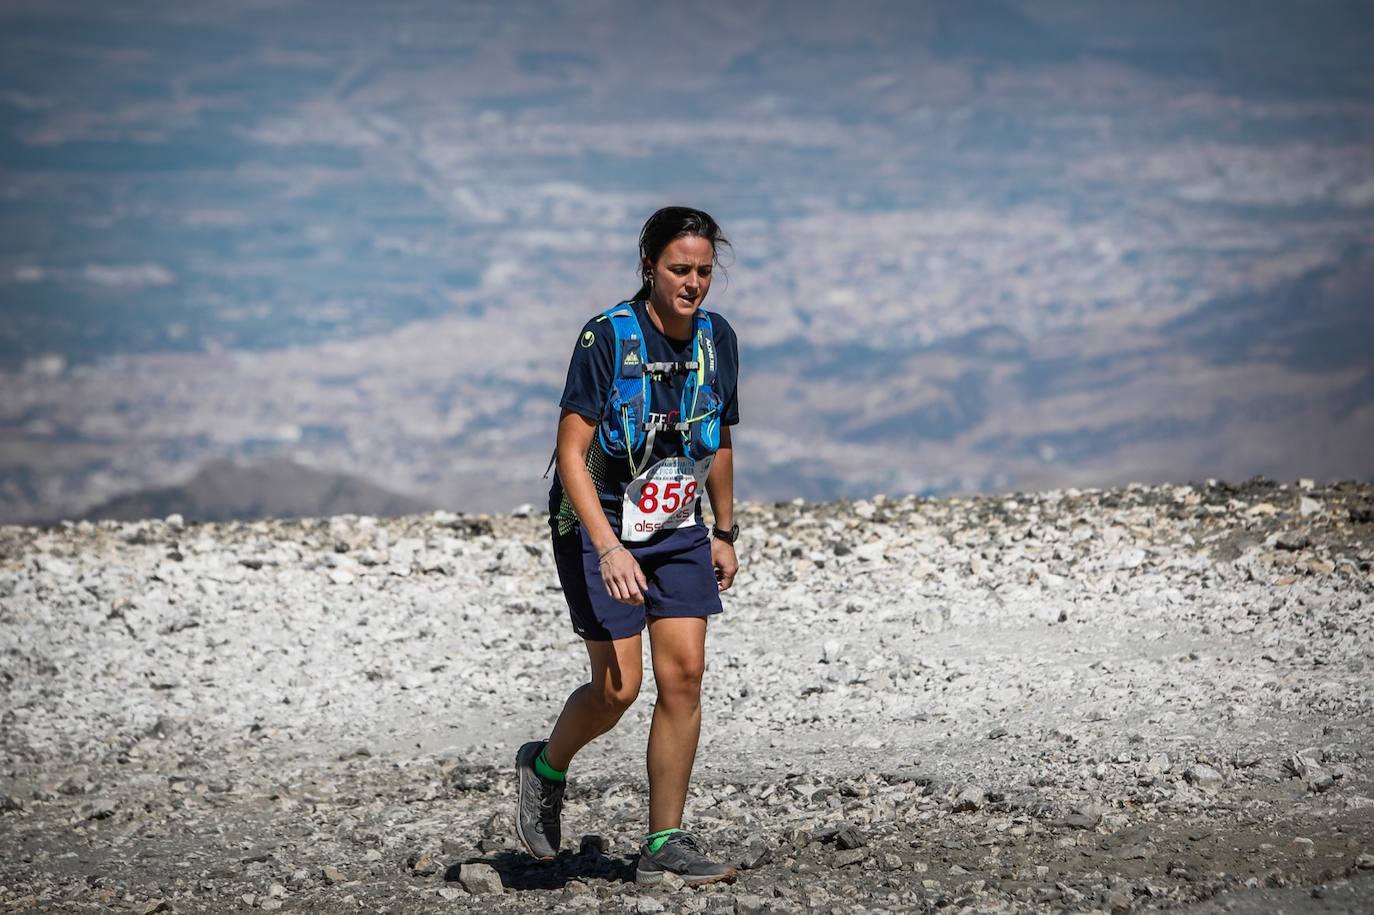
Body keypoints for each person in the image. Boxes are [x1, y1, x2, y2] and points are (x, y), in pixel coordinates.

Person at [516, 206, 742, 887]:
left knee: (684, 676)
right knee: (618, 686)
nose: (693, 283)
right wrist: (609, 547)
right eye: (680, 269)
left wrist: (725, 529)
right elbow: (571, 450)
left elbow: (721, 436)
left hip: (675, 520)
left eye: (703, 270)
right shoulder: (606, 337)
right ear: (649, 267)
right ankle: (544, 765)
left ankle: (664, 841)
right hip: (597, 517)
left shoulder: (716, 339)